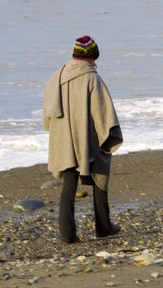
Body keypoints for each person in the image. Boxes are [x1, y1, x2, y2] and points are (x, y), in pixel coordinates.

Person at [43, 35, 123, 243]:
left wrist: (60, 134)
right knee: (99, 175)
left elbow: (46, 117)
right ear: (92, 57)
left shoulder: (54, 77)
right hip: (88, 141)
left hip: (64, 142)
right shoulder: (92, 79)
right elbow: (104, 115)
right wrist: (108, 139)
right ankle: (103, 227)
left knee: (69, 186)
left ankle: (68, 235)